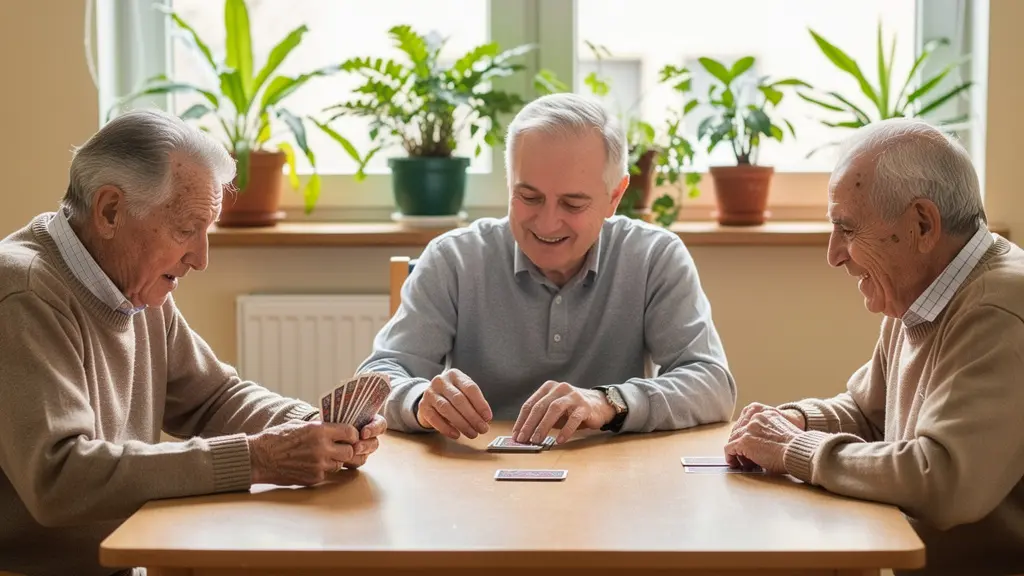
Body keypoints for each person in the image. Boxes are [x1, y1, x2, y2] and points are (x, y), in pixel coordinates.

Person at [0, 109, 386, 576]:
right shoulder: (23, 291)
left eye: (208, 231)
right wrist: (258, 458)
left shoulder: (134, 288)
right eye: (186, 229)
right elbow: (60, 477)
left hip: (133, 558)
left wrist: (310, 425)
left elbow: (213, 397)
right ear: (109, 211)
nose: (201, 259)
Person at [724, 118, 1024, 575]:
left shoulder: (998, 308)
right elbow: (870, 412)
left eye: (847, 228)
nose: (834, 254)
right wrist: (797, 420)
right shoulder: (924, 291)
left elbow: (943, 479)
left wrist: (794, 449)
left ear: (922, 224)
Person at [357, 92, 735, 445]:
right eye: (529, 197)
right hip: (475, 479)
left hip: (613, 482)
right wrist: (421, 400)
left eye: (572, 203)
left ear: (614, 197)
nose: (547, 223)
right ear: (509, 185)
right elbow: (375, 381)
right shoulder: (454, 258)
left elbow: (712, 385)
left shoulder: (654, 257)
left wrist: (608, 403)